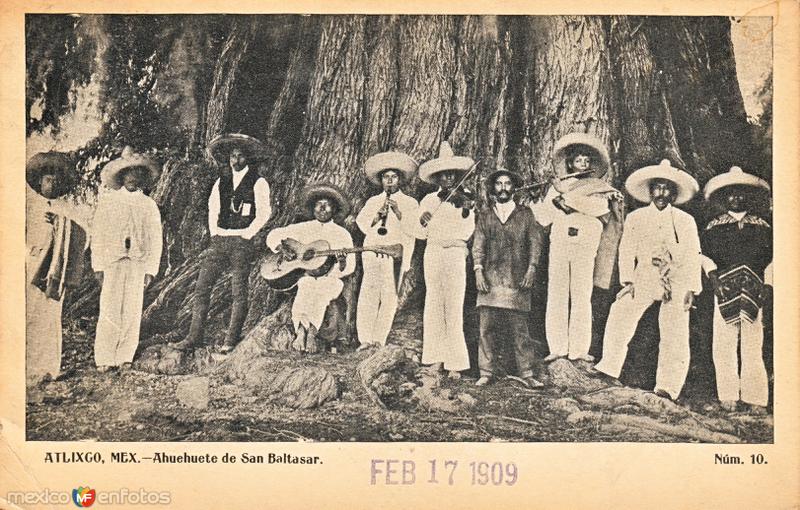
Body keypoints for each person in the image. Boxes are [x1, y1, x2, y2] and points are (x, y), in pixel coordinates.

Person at [593, 159, 702, 401]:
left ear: (673, 193)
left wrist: (692, 288)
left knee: (675, 330)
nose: (661, 193)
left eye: (666, 189)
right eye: (657, 187)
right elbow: (627, 249)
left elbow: (694, 254)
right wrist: (627, 281)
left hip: (677, 276)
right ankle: (609, 367)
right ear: (650, 191)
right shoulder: (637, 217)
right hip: (644, 274)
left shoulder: (685, 221)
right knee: (620, 312)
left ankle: (668, 386)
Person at [172, 134, 272, 353]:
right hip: (220, 240)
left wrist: (247, 234)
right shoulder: (221, 182)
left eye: (240, 156)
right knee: (201, 287)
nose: (236, 161)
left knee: (239, 291)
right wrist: (215, 233)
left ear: (247, 158)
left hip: (241, 241)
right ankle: (193, 336)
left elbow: (264, 212)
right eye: (232, 157)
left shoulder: (258, 182)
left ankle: (230, 339)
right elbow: (213, 209)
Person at [530, 133, 623, 363]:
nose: (582, 164)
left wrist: (567, 200)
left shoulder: (599, 187)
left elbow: (599, 209)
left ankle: (580, 349)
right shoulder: (557, 187)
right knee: (557, 292)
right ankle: (557, 347)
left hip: (585, 243)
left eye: (586, 160)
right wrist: (536, 201)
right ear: (570, 163)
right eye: (577, 160)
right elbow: (543, 217)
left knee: (581, 294)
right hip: (561, 241)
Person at [701, 166, 772, 414]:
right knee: (724, 343)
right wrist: (714, 279)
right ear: (725, 197)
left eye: (742, 194)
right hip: (724, 287)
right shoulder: (714, 227)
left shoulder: (762, 226)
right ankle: (728, 395)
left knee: (753, 342)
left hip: (754, 287)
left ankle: (755, 398)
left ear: (748, 197)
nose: (737, 198)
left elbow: (773, 258)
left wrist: (769, 284)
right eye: (732, 194)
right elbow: (704, 256)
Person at [92, 146, 163, 372]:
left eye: (136, 173)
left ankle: (125, 356)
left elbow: (155, 238)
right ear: (122, 176)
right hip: (113, 261)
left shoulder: (149, 205)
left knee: (132, 309)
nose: (132, 178)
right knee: (110, 308)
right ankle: (105, 357)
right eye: (128, 173)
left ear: (142, 177)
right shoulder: (109, 202)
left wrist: (151, 269)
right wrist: (98, 265)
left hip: (137, 262)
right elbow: (99, 235)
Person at [472, 168, 545, 388]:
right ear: (493, 188)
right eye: (499, 184)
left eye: (507, 183)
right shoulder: (485, 215)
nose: (503, 188)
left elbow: (535, 243)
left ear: (514, 188)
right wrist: (478, 271)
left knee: (520, 331)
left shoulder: (525, 214)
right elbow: (478, 245)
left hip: (517, 279)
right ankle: (486, 371)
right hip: (490, 280)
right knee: (486, 329)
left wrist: (532, 268)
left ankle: (527, 373)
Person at [266, 184, 355, 353]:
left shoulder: (342, 234)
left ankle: (312, 333)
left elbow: (350, 267)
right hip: (306, 276)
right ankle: (300, 332)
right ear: (313, 207)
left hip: (331, 278)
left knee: (323, 289)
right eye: (318, 204)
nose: (322, 208)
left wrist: (341, 263)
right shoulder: (304, 228)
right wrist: (280, 247)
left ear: (334, 209)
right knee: (306, 286)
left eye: (327, 204)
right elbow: (273, 235)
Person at [26, 152, 90, 387]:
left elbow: (83, 238)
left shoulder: (68, 209)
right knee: (31, 315)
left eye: (55, 180)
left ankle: (49, 368)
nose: (51, 185)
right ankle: (28, 369)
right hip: (33, 265)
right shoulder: (30, 207)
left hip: (56, 271)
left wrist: (63, 225)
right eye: (47, 180)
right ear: (39, 182)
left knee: (51, 317)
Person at [415, 141, 476, 380]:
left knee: (453, 304)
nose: (448, 178)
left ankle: (456, 363)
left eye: (452, 174)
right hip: (433, 252)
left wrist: (463, 208)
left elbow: (468, 229)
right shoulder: (429, 200)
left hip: (454, 253)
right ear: (438, 178)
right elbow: (420, 233)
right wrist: (423, 220)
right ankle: (434, 359)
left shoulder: (466, 199)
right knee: (433, 303)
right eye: (444, 175)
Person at [355, 151, 419, 349]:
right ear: (381, 180)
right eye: (386, 177)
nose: (389, 181)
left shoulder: (409, 203)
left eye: (393, 177)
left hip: (394, 255)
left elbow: (415, 230)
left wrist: (399, 213)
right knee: (368, 294)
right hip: (373, 252)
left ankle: (379, 340)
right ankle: (365, 339)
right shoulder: (373, 202)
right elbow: (361, 223)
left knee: (389, 297)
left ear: (399, 180)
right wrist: (377, 216)